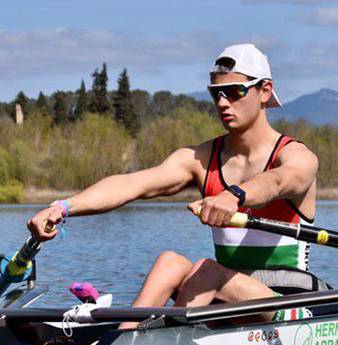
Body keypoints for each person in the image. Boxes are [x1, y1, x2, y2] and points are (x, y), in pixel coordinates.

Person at [27, 44, 319, 328]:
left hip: (287, 306)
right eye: (216, 93)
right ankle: (123, 343)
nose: (222, 103)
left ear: (265, 90)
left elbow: (277, 181)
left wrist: (234, 196)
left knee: (207, 270)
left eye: (234, 92)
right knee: (169, 263)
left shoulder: (296, 156)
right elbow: (132, 184)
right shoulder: (201, 159)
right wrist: (62, 207)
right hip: (227, 299)